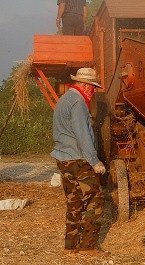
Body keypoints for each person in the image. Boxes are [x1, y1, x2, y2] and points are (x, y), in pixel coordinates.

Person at [51, 67, 108, 256]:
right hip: (78, 160)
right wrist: (95, 161)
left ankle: (71, 246)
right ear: (84, 85)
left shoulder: (64, 100)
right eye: (92, 87)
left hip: (63, 158)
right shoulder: (78, 102)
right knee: (95, 200)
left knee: (73, 202)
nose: (93, 91)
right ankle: (88, 246)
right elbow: (82, 134)